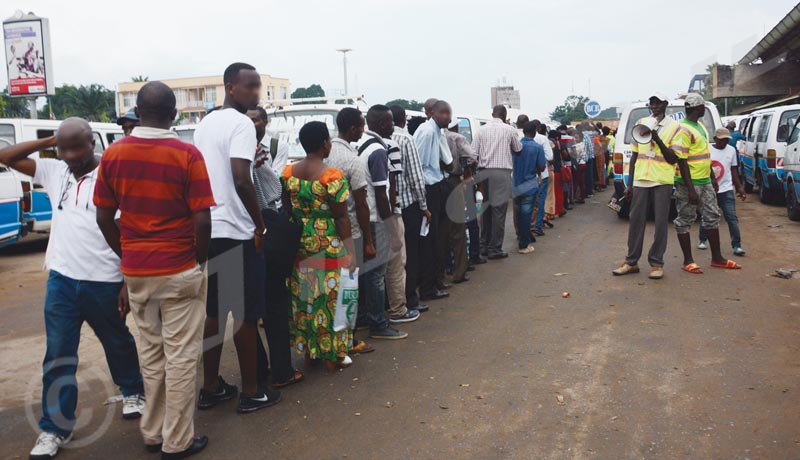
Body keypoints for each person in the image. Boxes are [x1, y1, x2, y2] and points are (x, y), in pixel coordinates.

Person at [0, 120, 145, 460]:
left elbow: (128, 232)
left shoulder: (112, 173)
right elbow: (5, 155)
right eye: (63, 149)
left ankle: (133, 391)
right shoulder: (54, 170)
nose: (69, 155)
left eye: (76, 148)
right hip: (62, 280)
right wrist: (51, 140)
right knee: (59, 355)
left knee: (117, 340)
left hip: (105, 279)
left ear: (92, 143)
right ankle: (54, 428)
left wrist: (127, 279)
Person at [94, 81, 214, 458]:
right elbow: (203, 218)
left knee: (152, 354)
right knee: (181, 357)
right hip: (179, 268)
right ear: (174, 114)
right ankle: (177, 441)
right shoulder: (187, 155)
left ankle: (152, 431)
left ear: (137, 112)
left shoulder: (113, 155)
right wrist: (199, 260)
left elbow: (102, 216)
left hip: (137, 272)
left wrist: (126, 254)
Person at [193, 63, 280, 413]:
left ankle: (211, 386)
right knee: (243, 312)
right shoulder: (242, 124)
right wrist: (259, 226)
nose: (256, 93)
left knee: (216, 310)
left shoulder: (206, 122)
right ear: (231, 87)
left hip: (210, 227)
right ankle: (252, 391)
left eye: (258, 87)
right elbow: (242, 178)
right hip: (237, 228)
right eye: (250, 87)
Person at [281, 121, 358, 372]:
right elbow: (341, 217)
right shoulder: (331, 176)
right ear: (325, 143)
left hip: (300, 242)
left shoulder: (288, 173)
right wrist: (351, 251)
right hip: (329, 244)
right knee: (334, 297)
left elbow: (288, 209)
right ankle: (334, 353)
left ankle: (310, 351)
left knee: (306, 295)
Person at [247, 107, 306, 389]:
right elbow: (272, 191)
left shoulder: (270, 147)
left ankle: (264, 372)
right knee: (272, 302)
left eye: (255, 118)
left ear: (264, 122)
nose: (251, 123)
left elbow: (277, 181)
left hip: (247, 230)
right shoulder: (249, 153)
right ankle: (278, 370)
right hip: (259, 229)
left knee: (251, 306)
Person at [324, 107, 377, 353]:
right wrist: (368, 240)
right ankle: (349, 340)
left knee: (328, 288)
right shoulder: (351, 160)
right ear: (353, 128)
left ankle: (328, 338)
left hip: (324, 232)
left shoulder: (321, 154)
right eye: (361, 125)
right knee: (348, 287)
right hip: (351, 231)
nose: (363, 130)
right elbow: (361, 203)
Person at [671, 93, 741, 274]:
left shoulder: (700, 126)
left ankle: (717, 258)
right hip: (689, 184)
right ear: (697, 108)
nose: (704, 109)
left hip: (705, 181)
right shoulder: (683, 129)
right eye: (702, 106)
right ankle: (688, 261)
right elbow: (682, 160)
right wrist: (691, 189)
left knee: (712, 217)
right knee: (685, 220)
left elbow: (705, 154)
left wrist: (711, 177)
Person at [613, 92, 680, 280]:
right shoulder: (642, 122)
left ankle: (657, 263)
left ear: (666, 104)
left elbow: (673, 158)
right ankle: (631, 261)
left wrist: (657, 139)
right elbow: (635, 155)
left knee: (660, 223)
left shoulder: (674, 127)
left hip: (662, 180)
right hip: (641, 179)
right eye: (652, 103)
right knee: (635, 221)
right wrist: (630, 185)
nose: (655, 106)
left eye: (658, 102)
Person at [356, 105, 409, 339]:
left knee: (364, 272)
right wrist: (392, 230)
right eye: (389, 122)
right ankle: (378, 324)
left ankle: (364, 318)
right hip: (377, 218)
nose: (393, 126)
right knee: (377, 273)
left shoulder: (358, 145)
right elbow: (382, 194)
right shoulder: (378, 150)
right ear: (379, 124)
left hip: (361, 217)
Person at [390, 105, 432, 315]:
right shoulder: (406, 139)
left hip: (388, 207)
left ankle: (393, 300)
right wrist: (424, 207)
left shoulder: (380, 140)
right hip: (408, 205)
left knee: (393, 258)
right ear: (404, 119)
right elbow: (416, 178)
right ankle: (410, 299)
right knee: (411, 255)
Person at [414, 100, 455, 297]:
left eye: (449, 113)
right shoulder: (427, 131)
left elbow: (446, 161)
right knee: (429, 241)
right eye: (443, 113)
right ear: (432, 113)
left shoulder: (437, 132)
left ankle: (435, 281)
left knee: (438, 239)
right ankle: (427, 287)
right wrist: (422, 201)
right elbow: (418, 166)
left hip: (438, 186)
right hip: (428, 190)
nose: (447, 117)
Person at [473, 105, 522, 259]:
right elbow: (518, 149)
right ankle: (495, 249)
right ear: (504, 115)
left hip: (484, 172)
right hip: (501, 173)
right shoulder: (509, 130)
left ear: (492, 114)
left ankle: (484, 246)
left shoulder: (481, 130)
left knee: (486, 210)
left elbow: (473, 154)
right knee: (499, 212)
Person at [698, 128, 747, 256]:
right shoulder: (707, 149)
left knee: (732, 218)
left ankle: (737, 245)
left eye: (726, 140)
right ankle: (702, 239)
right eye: (722, 140)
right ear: (715, 139)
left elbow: (734, 170)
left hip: (726, 189)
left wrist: (739, 187)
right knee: (708, 216)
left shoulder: (731, 151)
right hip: (709, 189)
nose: (724, 142)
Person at [444, 117, 478, 282]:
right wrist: (467, 169)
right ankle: (459, 271)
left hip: (437, 183)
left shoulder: (436, 136)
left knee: (443, 228)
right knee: (458, 228)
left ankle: (446, 268)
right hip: (455, 180)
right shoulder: (457, 138)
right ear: (456, 126)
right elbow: (472, 157)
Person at [513, 122, 547, 254]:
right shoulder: (537, 147)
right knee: (526, 215)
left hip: (516, 184)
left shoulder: (516, 146)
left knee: (519, 215)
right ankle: (524, 245)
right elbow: (542, 166)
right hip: (529, 185)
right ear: (534, 132)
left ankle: (523, 238)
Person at [531, 120, 554, 236]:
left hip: (528, 175)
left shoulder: (520, 137)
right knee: (540, 201)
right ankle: (537, 227)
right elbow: (550, 156)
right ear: (539, 128)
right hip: (542, 174)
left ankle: (529, 226)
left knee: (529, 202)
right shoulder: (542, 139)